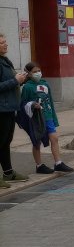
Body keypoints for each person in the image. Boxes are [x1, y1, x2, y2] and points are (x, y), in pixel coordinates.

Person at [20, 62, 73, 174]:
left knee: (54, 138)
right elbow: (23, 104)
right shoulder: (27, 87)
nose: (38, 73)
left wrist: (54, 118)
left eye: (39, 71)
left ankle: (58, 163)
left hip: (48, 116)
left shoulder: (45, 84)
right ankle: (39, 165)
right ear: (28, 74)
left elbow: (51, 103)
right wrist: (33, 105)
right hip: (36, 119)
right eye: (34, 72)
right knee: (37, 142)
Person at [0, 35, 27, 188]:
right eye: (2, 43)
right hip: (1, 109)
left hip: (9, 108)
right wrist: (15, 81)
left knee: (5, 142)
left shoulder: (4, 60)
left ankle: (8, 173)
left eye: (5, 41)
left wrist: (23, 79)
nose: (5, 45)